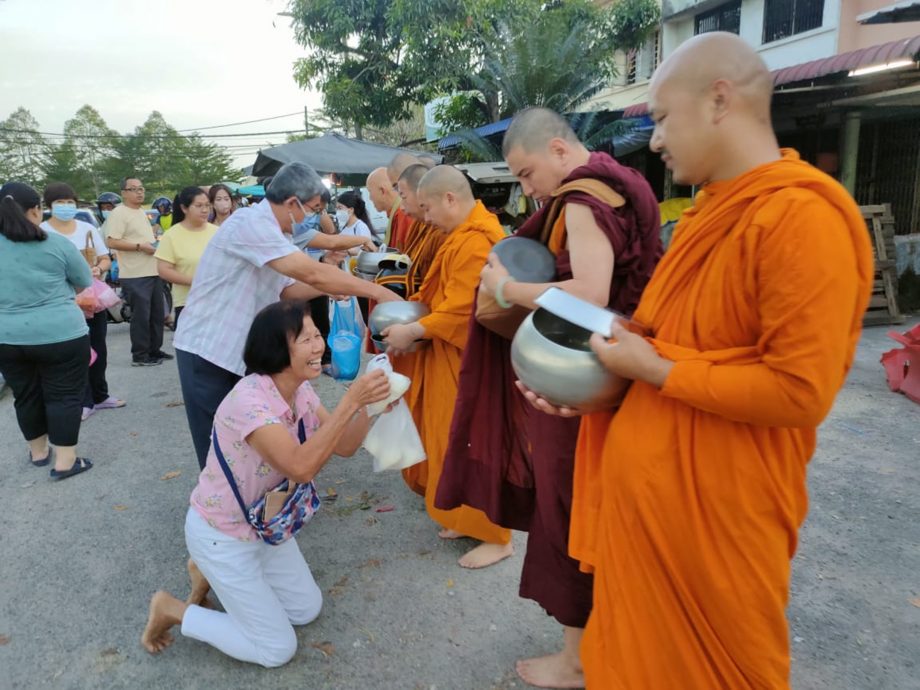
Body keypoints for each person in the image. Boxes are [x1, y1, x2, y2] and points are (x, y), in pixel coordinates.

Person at [521, 33, 874, 689]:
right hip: (650, 510)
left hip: (717, 520)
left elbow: (799, 392)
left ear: (719, 100)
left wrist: (652, 369)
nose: (655, 141)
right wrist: (597, 389)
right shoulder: (706, 215)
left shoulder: (801, 217)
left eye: (661, 118)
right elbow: (666, 343)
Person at [438, 107, 662, 688]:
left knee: (569, 506)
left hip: (584, 376)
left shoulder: (583, 198)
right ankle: (609, 636)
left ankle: (577, 658)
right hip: (622, 373)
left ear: (559, 150)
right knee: (601, 508)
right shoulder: (624, 183)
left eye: (526, 172)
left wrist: (508, 288)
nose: (528, 189)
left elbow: (588, 293)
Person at [141, 300, 393, 666]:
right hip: (223, 535)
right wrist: (351, 401)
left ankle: (213, 576)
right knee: (276, 649)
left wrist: (370, 408)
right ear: (276, 349)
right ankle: (173, 609)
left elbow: (345, 446)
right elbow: (301, 468)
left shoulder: (300, 390)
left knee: (306, 610)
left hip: (267, 525)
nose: (319, 345)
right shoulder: (250, 402)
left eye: (317, 335)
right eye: (306, 339)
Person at [174, 162, 401, 469]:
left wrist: (331, 285)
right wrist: (378, 292)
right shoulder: (250, 223)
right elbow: (310, 273)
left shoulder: (276, 234)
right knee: (220, 443)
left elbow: (287, 290)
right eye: (314, 209)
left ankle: (262, 490)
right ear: (293, 203)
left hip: (241, 347)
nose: (315, 218)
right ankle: (224, 497)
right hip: (209, 348)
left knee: (256, 438)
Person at [381, 166, 512, 569]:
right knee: (448, 438)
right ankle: (463, 515)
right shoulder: (458, 236)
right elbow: (440, 295)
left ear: (450, 199)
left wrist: (413, 329)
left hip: (470, 361)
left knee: (472, 441)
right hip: (449, 354)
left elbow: (461, 311)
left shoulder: (476, 242)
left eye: (427, 207)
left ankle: (498, 537)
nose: (424, 217)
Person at [0, 182, 94, 480]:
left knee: (25, 394)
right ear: (36, 210)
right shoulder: (56, 243)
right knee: (64, 395)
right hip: (61, 333)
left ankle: (38, 452)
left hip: (7, 337)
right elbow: (84, 281)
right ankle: (65, 462)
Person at [41, 182, 126, 422]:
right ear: (49, 206)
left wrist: (99, 268)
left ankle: (100, 395)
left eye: (70, 202)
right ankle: (84, 400)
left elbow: (105, 259)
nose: (66, 206)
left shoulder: (87, 228)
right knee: (77, 352)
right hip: (63, 301)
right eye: (60, 202)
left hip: (91, 298)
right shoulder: (42, 231)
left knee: (99, 347)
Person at [104, 177, 169, 366]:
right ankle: (140, 355)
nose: (139, 192)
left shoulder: (141, 212)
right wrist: (140, 246)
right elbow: (112, 241)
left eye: (141, 188)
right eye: (133, 189)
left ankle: (154, 350)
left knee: (157, 314)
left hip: (152, 270)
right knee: (141, 317)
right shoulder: (119, 213)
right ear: (123, 193)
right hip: (134, 274)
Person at [155, 187, 218, 329]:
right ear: (184, 208)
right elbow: (164, 270)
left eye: (207, 205)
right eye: (199, 206)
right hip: (188, 303)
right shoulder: (172, 235)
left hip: (217, 301)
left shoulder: (218, 232)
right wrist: (196, 281)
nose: (205, 210)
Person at [366, 165, 413, 251]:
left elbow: (402, 255)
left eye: (370, 191)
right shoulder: (395, 214)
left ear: (382, 191)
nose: (370, 198)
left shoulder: (403, 215)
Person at [333, 190, 374, 255]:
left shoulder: (360, 227)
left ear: (351, 210)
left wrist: (345, 251)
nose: (337, 212)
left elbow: (366, 250)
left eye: (340, 208)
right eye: (336, 208)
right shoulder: (344, 228)